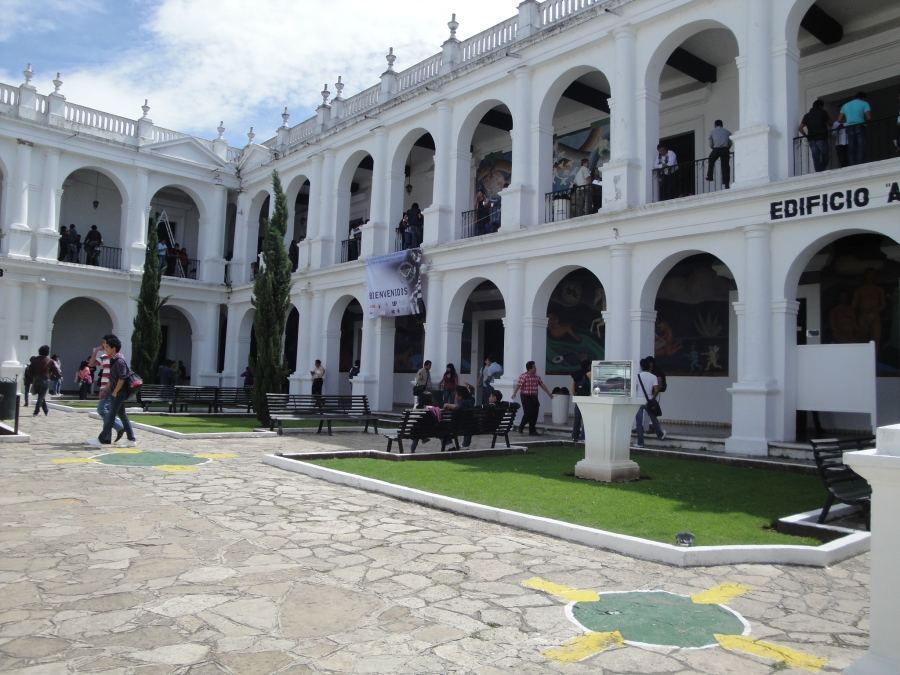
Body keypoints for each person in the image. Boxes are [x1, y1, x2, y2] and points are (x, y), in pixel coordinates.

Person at [85, 335, 136, 448]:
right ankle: (131, 439)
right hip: (115, 391)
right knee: (122, 415)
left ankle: (101, 439)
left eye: (107, 347)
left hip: (119, 392)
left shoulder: (119, 361)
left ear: (113, 348)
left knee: (111, 415)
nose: (105, 348)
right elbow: (112, 378)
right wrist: (105, 390)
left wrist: (115, 392)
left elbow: (122, 378)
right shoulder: (113, 360)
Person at [90, 338, 125, 443]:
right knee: (108, 411)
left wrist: (107, 389)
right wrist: (96, 350)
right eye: (103, 343)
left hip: (110, 387)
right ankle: (106, 438)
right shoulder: (104, 357)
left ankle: (119, 426)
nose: (104, 345)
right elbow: (91, 364)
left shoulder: (117, 358)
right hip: (104, 386)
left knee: (101, 410)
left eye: (105, 343)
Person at [511, 361, 554, 436]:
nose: (535, 368)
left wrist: (549, 393)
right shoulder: (524, 376)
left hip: (534, 396)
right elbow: (519, 385)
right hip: (526, 396)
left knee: (535, 412)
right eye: (534, 367)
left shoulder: (537, 377)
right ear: (529, 369)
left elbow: (542, 385)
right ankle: (521, 427)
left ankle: (532, 430)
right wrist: (514, 393)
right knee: (528, 412)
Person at [853, 268, 886, 354]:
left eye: (872, 274)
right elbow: (853, 306)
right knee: (863, 340)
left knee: (876, 340)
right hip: (863, 317)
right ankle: (863, 360)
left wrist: (872, 310)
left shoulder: (879, 289)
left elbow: (882, 305)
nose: (870, 276)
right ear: (865, 275)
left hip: (875, 317)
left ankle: (875, 361)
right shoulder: (859, 290)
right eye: (868, 274)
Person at [635, 357, 667, 448]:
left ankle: (640, 443)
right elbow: (656, 390)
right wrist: (652, 397)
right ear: (648, 366)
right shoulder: (653, 377)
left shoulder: (637, 376)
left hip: (639, 401)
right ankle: (660, 435)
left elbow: (635, 388)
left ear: (641, 367)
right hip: (649, 401)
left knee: (639, 422)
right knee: (653, 418)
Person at [838, 91, 872, 166]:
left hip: (850, 127)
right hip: (860, 126)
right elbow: (869, 118)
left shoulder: (845, 105)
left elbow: (839, 120)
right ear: (863, 98)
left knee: (851, 148)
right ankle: (860, 164)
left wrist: (848, 120)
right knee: (861, 146)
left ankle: (852, 165)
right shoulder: (864, 103)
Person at [26, 345, 61, 416]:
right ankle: (36, 411)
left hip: (36, 379)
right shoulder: (50, 361)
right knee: (41, 396)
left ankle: (46, 410)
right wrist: (59, 376)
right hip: (45, 380)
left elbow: (30, 370)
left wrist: (33, 376)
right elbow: (55, 370)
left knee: (41, 396)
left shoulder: (34, 359)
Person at [799, 101, 833, 173]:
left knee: (815, 157)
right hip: (821, 137)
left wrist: (806, 136)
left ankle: (818, 171)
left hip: (811, 139)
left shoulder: (806, 116)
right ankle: (821, 170)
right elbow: (830, 123)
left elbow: (800, 128)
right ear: (820, 106)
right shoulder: (823, 112)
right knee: (825, 156)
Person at [444, 384, 476, 449]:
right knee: (468, 425)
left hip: (458, 427)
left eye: (456, 394)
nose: (455, 396)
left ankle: (451, 446)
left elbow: (455, 407)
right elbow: (473, 389)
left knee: (441, 430)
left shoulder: (461, 403)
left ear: (460, 397)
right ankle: (465, 445)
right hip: (471, 426)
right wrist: (469, 385)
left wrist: (446, 404)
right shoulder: (471, 400)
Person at [570, 359, 592, 442]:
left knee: (577, 418)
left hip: (578, 398)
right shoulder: (590, 374)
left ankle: (575, 436)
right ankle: (584, 436)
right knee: (587, 418)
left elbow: (572, 388)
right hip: (588, 398)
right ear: (588, 366)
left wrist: (576, 395)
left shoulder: (576, 374)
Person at [706, 120, 732, 187]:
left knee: (711, 160)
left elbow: (711, 144)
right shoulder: (728, 132)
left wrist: (715, 148)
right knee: (725, 166)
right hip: (725, 149)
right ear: (722, 125)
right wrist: (726, 148)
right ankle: (726, 183)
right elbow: (730, 143)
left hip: (716, 149)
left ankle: (710, 176)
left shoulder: (712, 132)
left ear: (715, 125)